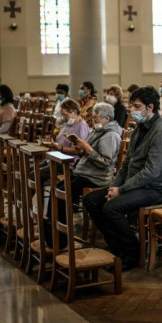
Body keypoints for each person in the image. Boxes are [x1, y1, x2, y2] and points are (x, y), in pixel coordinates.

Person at [84, 86, 162, 271]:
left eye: (136, 106)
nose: (132, 110)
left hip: (156, 188)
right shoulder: (139, 129)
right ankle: (117, 245)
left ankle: (132, 253)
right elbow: (127, 163)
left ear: (150, 107)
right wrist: (114, 186)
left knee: (112, 208)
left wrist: (121, 190)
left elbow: (151, 172)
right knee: (92, 200)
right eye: (132, 106)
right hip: (136, 184)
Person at [48, 103, 122, 249]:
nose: (92, 121)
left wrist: (88, 149)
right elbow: (86, 153)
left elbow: (105, 163)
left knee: (62, 194)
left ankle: (61, 239)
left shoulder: (111, 135)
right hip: (85, 172)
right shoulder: (98, 130)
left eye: (95, 118)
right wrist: (80, 147)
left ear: (106, 119)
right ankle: (53, 233)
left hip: (96, 177)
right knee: (56, 190)